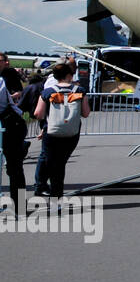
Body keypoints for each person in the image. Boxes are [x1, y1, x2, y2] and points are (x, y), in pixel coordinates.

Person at [33, 62, 90, 202]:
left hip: (51, 133)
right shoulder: (80, 91)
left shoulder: (47, 92)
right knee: (60, 165)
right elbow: (86, 113)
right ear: (69, 75)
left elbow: (38, 114)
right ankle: (57, 198)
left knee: (52, 164)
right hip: (71, 133)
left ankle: (52, 196)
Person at [0, 74, 30, 212]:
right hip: (11, 124)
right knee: (15, 168)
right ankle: (20, 206)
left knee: (15, 168)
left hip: (9, 126)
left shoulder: (0, 81)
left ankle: (19, 206)